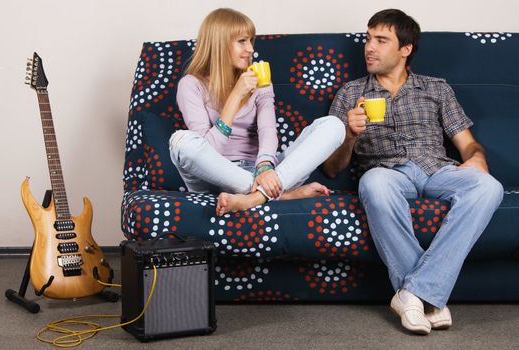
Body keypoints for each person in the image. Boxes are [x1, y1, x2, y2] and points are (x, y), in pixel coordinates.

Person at [323, 9, 503, 335]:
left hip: (437, 170)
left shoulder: (436, 89)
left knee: (489, 187)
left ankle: (413, 294)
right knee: (373, 183)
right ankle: (430, 299)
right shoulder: (350, 94)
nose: (369, 47)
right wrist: (349, 135)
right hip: (387, 172)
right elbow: (332, 169)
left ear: (405, 49)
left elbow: (468, 145)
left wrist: (478, 160)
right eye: (368, 38)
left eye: (381, 40)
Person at [170, 8, 345, 216]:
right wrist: (236, 96)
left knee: (333, 125)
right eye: (242, 41)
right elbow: (208, 151)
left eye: (251, 40)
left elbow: (268, 130)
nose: (251, 49)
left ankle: (254, 198)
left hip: (263, 171)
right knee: (180, 141)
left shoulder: (260, 80)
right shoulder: (191, 85)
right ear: (219, 43)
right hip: (215, 177)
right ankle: (281, 194)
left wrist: (264, 166)